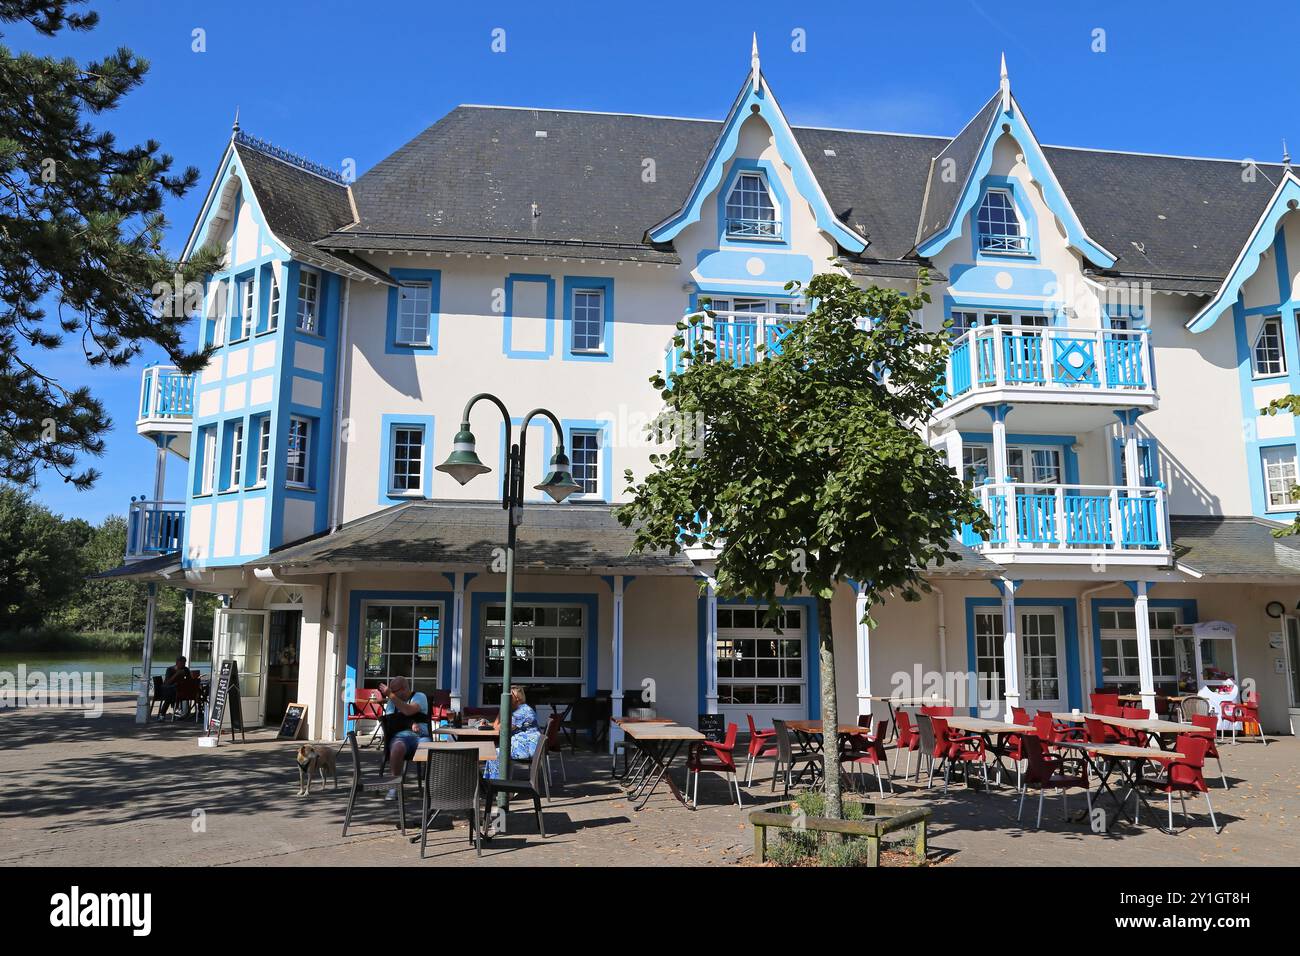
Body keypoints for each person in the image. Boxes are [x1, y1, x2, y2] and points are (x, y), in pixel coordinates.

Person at [380, 676, 430, 799]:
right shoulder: (392, 702)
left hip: (421, 736)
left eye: (393, 690)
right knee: (397, 748)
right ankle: (394, 786)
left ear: (403, 689)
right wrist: (410, 723)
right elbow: (391, 721)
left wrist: (391, 695)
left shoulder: (419, 696)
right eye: (390, 691)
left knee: (431, 750)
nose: (390, 693)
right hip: (401, 737)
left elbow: (408, 710)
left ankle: (433, 788)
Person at [484, 685, 542, 779]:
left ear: (517, 698)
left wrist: (503, 707)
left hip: (527, 747)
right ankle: (492, 784)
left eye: (510, 696)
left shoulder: (522, 711)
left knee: (494, 754)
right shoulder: (519, 710)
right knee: (494, 751)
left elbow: (499, 727)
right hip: (522, 744)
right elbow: (498, 725)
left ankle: (497, 785)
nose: (506, 698)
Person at [155, 656, 189, 720]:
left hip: (179, 690)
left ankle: (175, 710)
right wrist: (177, 674)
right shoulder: (170, 669)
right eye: (181, 662)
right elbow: (167, 683)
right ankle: (168, 712)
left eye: (184, 662)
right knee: (171, 694)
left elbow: (189, 680)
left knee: (176, 691)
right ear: (177, 662)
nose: (183, 664)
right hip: (167, 689)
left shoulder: (186, 669)